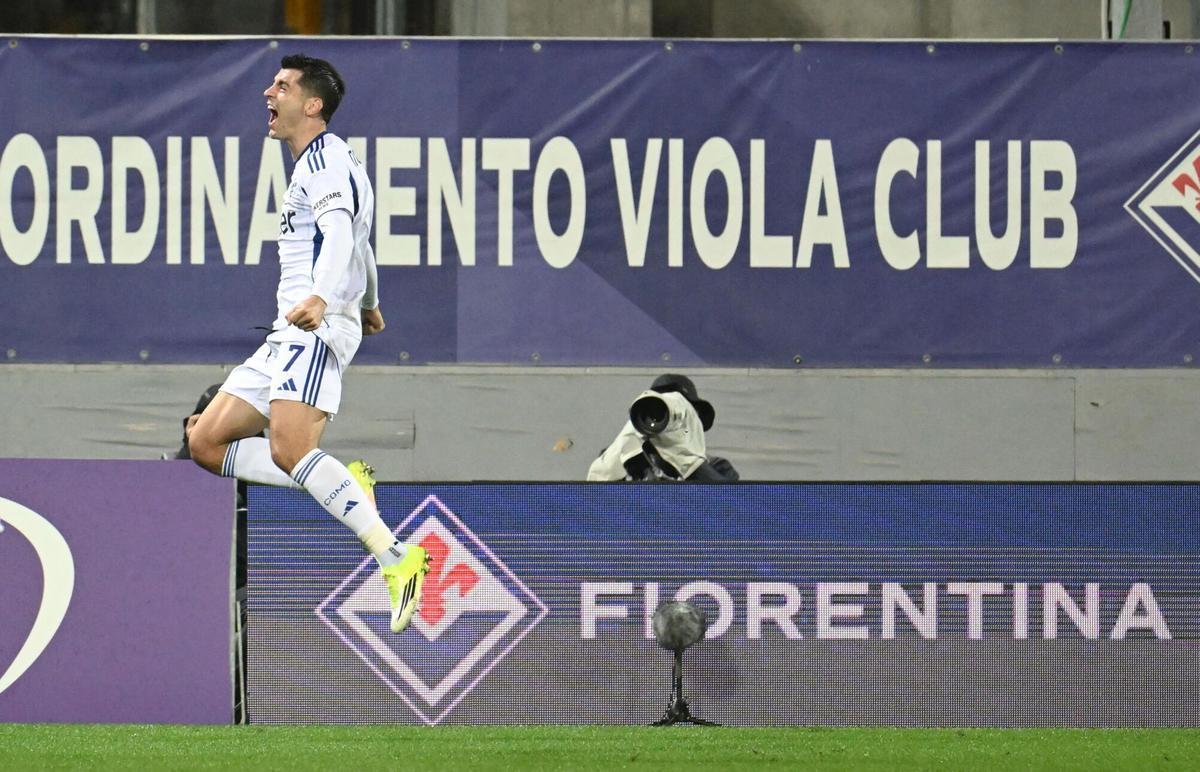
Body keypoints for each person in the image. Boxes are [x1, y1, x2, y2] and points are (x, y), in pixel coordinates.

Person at [187, 54, 429, 634]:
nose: (268, 93)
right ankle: (345, 483)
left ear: (311, 104)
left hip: (312, 327)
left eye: (283, 86)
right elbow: (364, 245)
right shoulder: (327, 162)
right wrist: (370, 301)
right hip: (291, 329)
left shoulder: (322, 162)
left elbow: (344, 233)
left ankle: (399, 558)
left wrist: (324, 300)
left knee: (290, 450)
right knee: (206, 441)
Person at [587, 374, 740, 482]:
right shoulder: (623, 459)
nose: (666, 422)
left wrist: (686, 463)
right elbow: (592, 505)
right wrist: (625, 448)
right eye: (657, 413)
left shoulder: (717, 467)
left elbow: (733, 508)